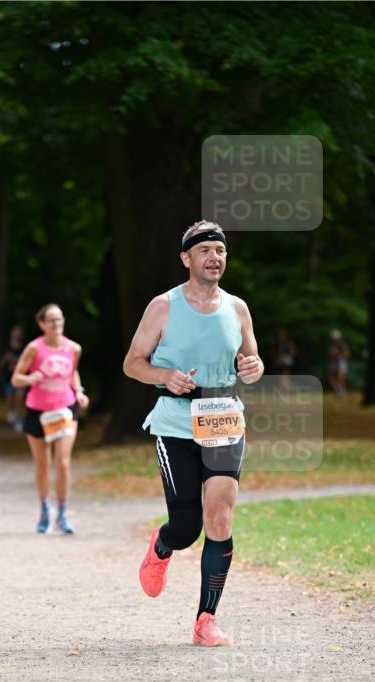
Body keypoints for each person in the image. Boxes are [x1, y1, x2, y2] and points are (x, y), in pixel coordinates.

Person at [123, 220, 264, 647]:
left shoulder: (237, 308)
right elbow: (132, 363)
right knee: (187, 527)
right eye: (204, 251)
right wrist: (164, 375)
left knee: (220, 514)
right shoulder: (162, 307)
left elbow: (251, 360)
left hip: (223, 415)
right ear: (186, 259)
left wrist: (254, 368)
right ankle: (163, 546)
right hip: (175, 420)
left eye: (219, 251)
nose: (214, 257)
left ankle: (207, 619)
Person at [11, 303, 89, 534]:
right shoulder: (33, 349)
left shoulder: (73, 348)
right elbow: (16, 378)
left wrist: (79, 392)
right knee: (43, 464)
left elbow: (72, 372)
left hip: (65, 409)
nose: (57, 324)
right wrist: (29, 378)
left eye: (59, 319)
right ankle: (45, 509)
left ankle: (62, 514)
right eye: (52, 320)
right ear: (42, 324)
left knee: (62, 462)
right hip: (37, 411)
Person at [0, 325, 26, 430]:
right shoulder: (6, 348)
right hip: (8, 379)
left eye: (18, 334)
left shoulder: (25, 349)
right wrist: (6, 359)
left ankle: (19, 421)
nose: (16, 336)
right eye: (15, 333)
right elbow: (0, 364)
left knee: (19, 400)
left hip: (20, 379)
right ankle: (12, 412)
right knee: (11, 401)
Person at [327, 329, 351, 397]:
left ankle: (342, 392)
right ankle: (338, 392)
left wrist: (338, 354)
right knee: (331, 378)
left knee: (340, 378)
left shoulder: (341, 344)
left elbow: (347, 354)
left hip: (340, 363)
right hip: (332, 363)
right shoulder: (331, 345)